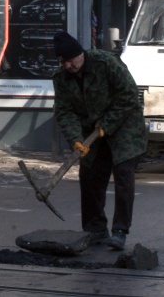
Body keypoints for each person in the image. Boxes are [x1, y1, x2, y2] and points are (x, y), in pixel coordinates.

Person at [52, 31, 146, 251]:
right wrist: (76, 139)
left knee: (123, 175)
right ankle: (95, 229)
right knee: (90, 175)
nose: (67, 66)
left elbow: (129, 95)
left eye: (69, 61)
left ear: (80, 55)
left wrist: (107, 124)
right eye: (62, 62)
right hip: (90, 130)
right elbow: (64, 112)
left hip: (124, 125)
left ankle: (120, 231)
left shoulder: (106, 63)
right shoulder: (61, 77)